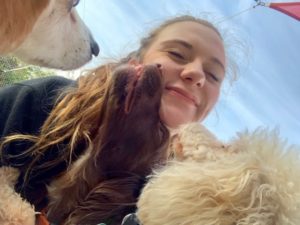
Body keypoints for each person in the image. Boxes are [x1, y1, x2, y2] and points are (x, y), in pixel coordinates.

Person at [0, 15, 228, 224]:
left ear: (207, 109)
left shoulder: (182, 207)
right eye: (176, 54)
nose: (196, 73)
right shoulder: (48, 102)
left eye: (213, 76)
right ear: (134, 63)